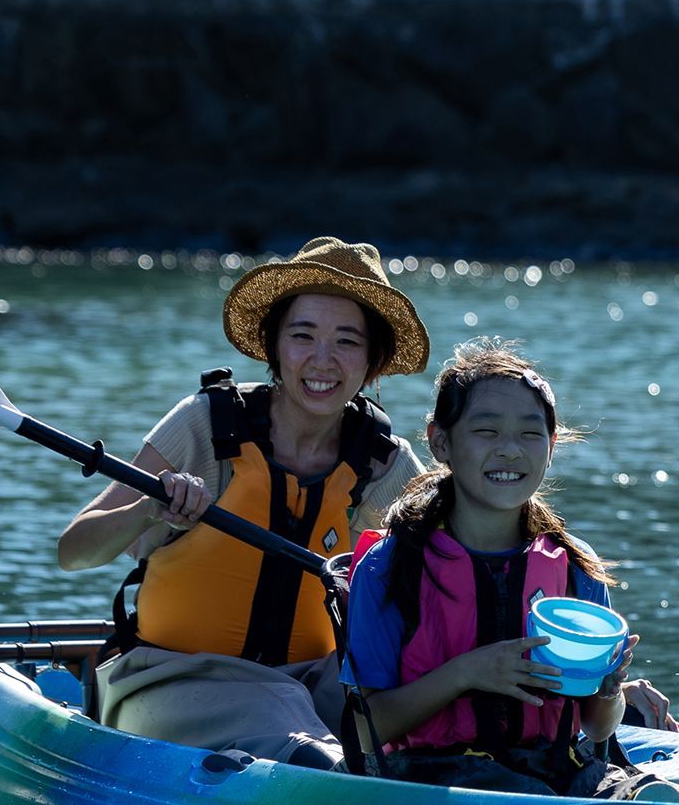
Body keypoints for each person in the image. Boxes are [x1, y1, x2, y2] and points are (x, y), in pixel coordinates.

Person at [57, 236, 429, 768]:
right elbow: (73, 551)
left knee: (423, 712)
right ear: (275, 344)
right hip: (170, 678)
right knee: (311, 748)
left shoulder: (383, 463)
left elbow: (446, 566)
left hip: (312, 683)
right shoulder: (207, 426)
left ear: (372, 361)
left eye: (347, 341)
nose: (322, 360)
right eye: (303, 335)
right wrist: (149, 509)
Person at [342, 339, 679, 798]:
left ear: (551, 446)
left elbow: (595, 727)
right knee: (526, 797)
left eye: (530, 434)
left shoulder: (575, 568)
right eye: (487, 432)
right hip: (432, 781)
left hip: (557, 768)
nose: (510, 450)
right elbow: (365, 731)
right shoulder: (388, 568)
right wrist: (467, 672)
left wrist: (609, 692)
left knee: (665, 801)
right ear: (440, 442)